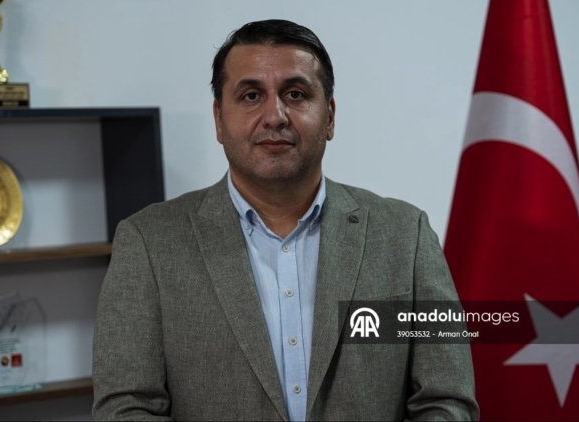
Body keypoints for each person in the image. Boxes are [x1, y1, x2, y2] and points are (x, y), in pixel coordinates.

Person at [92, 19, 479, 421]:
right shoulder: (148, 243)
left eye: (295, 94)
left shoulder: (406, 235)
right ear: (219, 120)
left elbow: (446, 399)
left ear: (329, 117)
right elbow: (126, 408)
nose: (274, 116)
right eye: (251, 96)